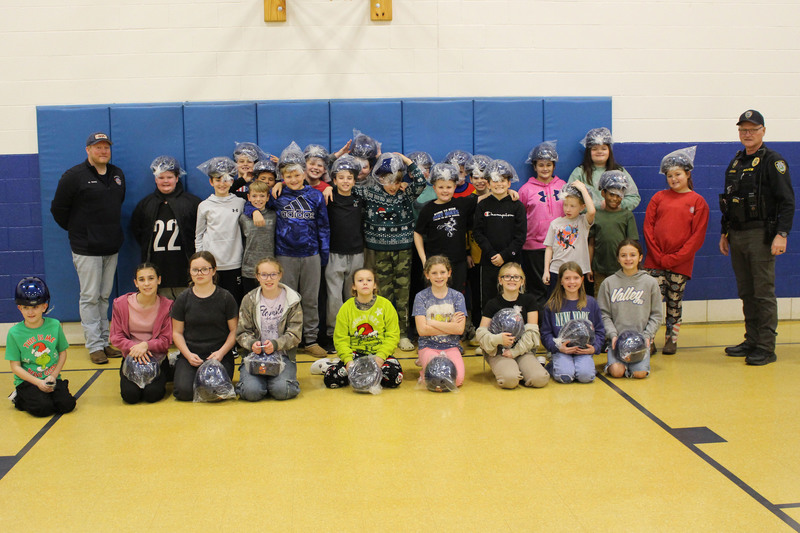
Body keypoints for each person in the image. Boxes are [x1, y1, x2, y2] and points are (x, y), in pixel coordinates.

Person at [719, 110, 794, 366]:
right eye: (743, 130)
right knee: (746, 291)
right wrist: (724, 232)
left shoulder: (773, 161)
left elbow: (787, 202)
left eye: (752, 129)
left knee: (762, 293)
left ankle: (765, 346)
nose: (747, 134)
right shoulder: (737, 161)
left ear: (763, 131)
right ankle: (751, 339)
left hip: (762, 235)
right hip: (738, 234)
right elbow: (729, 201)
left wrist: (781, 234)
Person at [50, 132, 125, 364]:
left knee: (104, 296)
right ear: (88, 150)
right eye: (98, 147)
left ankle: (104, 342)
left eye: (106, 147)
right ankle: (94, 346)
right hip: (86, 248)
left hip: (111, 245)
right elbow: (59, 210)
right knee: (90, 297)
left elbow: (116, 204)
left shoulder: (116, 174)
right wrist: (80, 231)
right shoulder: (74, 176)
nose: (103, 151)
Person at [357, 152, 428, 351]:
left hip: (403, 251)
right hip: (378, 251)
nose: (392, 186)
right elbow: (343, 184)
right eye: (387, 180)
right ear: (379, 178)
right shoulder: (370, 193)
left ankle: (403, 334)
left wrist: (407, 161)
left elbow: (421, 182)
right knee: (384, 295)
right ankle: (387, 333)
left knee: (403, 294)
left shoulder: (405, 194)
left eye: (396, 181)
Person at [265, 142, 330, 357]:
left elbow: (323, 226)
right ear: (282, 177)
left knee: (310, 300)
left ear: (303, 173)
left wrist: (324, 254)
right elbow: (255, 203)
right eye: (288, 176)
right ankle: (288, 340)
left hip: (311, 254)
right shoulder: (278, 195)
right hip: (285, 255)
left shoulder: (315, 196)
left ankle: (311, 340)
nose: (293, 179)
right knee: (287, 301)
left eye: (296, 175)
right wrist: (254, 209)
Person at [644, 147, 709, 355]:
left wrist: (674, 258)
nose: (673, 179)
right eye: (670, 176)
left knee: (674, 301)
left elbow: (696, 238)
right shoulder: (658, 198)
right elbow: (648, 228)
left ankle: (672, 339)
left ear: (688, 174)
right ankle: (649, 339)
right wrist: (658, 255)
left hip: (680, 264)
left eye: (678, 174)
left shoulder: (698, 202)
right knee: (651, 302)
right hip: (655, 261)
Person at [171, 252, 239, 401]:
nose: (199, 273)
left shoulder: (226, 297)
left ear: (213, 271)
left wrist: (221, 353)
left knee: (215, 391)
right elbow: (177, 333)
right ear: (190, 271)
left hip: (219, 355)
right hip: (191, 354)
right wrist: (188, 355)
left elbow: (234, 331)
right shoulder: (183, 299)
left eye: (205, 269)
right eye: (195, 270)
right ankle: (181, 371)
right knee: (184, 392)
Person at [130, 156, 201, 299]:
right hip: (157, 267)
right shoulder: (145, 204)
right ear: (155, 179)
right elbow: (137, 231)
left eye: (169, 177)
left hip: (183, 268)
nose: (166, 181)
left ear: (177, 178)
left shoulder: (192, 202)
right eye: (161, 177)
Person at [5, 277, 76, 417]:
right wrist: (38, 382)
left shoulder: (55, 325)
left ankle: (45, 395)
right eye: (26, 308)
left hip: (51, 378)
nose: (30, 312)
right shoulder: (14, 333)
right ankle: (19, 397)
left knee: (67, 405)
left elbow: (62, 353)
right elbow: (15, 367)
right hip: (28, 381)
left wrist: (54, 376)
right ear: (19, 308)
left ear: (44, 306)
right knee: (43, 408)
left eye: (35, 307)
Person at [236, 257, 302, 401]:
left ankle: (274, 382)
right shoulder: (249, 300)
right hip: (254, 357)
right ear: (257, 277)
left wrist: (276, 344)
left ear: (280, 275)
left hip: (282, 356)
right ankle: (259, 383)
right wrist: (252, 343)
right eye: (264, 275)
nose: (269, 279)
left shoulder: (292, 300)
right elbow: (242, 332)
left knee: (283, 391)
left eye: (273, 274)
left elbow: (295, 334)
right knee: (251, 393)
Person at [324, 268, 403, 389]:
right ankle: (331, 366)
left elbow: (393, 335)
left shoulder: (386, 305)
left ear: (374, 285)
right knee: (331, 379)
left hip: (379, 354)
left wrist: (380, 358)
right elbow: (340, 339)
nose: (365, 283)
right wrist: (349, 362)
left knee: (393, 378)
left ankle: (364, 376)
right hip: (355, 355)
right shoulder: (346, 308)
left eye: (369, 280)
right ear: (354, 286)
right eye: (360, 280)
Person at [597, 240, 662, 379]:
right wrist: (612, 334)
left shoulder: (650, 282)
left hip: (640, 342)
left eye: (632, 255)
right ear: (618, 258)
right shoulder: (608, 283)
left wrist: (647, 335)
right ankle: (614, 363)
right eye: (623, 255)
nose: (628, 259)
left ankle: (635, 365)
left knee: (639, 374)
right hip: (616, 341)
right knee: (617, 372)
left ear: (640, 257)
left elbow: (656, 315)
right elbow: (603, 314)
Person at [477, 262, 548, 389]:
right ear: (500, 280)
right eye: (507, 276)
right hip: (499, 351)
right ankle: (512, 370)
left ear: (522, 281)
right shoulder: (492, 303)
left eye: (516, 277)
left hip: (522, 350)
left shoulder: (529, 301)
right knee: (510, 380)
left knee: (540, 379)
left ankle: (523, 369)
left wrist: (515, 352)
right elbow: (481, 333)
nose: (512, 280)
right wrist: (498, 339)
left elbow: (532, 332)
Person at [110, 263, 173, 404]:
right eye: (142, 279)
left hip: (157, 358)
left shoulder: (167, 305)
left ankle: (169, 371)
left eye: (151, 278)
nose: (147, 284)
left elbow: (166, 339)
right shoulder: (121, 304)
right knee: (130, 396)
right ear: (136, 283)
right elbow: (115, 337)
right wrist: (135, 348)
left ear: (159, 280)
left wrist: (146, 345)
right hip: (131, 357)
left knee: (152, 395)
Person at [414, 162, 477, 295]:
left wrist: (509, 191)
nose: (445, 190)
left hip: (458, 262)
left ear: (454, 187)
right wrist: (424, 259)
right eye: (441, 187)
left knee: (457, 294)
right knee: (436, 295)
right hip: (435, 262)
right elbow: (417, 233)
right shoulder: (428, 209)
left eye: (449, 187)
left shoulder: (462, 204)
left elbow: (484, 197)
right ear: (434, 188)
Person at [473, 160, 527, 307]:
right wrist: (491, 254)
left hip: (512, 260)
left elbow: (521, 236)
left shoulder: (517, 206)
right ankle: (487, 328)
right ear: (488, 184)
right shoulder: (482, 205)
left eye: (503, 181)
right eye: (495, 181)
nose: (499, 184)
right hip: (489, 261)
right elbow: (477, 233)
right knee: (489, 298)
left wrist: (505, 255)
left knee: (513, 297)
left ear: (509, 183)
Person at [518, 141, 566, 310]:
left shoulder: (563, 186)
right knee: (537, 288)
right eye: (541, 165)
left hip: (560, 246)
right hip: (534, 247)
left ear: (554, 166)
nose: (545, 168)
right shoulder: (525, 190)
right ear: (534, 166)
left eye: (548, 165)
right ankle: (537, 325)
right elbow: (520, 217)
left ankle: (556, 322)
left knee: (559, 287)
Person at [541, 262, 605, 384]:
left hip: (583, 351)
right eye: (567, 278)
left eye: (575, 278)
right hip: (562, 351)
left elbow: (600, 330)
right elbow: (545, 333)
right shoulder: (552, 305)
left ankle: (578, 365)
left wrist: (594, 348)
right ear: (561, 281)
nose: (572, 282)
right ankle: (553, 365)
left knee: (586, 377)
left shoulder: (590, 303)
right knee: (565, 377)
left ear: (581, 279)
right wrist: (558, 347)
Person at [195, 156, 246, 304]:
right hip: (211, 265)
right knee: (213, 303)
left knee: (234, 302)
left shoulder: (241, 202)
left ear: (232, 181)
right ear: (211, 182)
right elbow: (198, 235)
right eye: (217, 180)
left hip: (235, 263)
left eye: (226, 179)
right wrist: (201, 261)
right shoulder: (204, 206)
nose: (222, 184)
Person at [325, 155, 365, 340]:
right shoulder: (328, 197)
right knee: (334, 297)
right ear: (334, 180)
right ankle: (334, 333)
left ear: (355, 180)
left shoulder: (360, 199)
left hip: (357, 253)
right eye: (341, 177)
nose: (345, 181)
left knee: (352, 295)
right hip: (335, 253)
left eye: (349, 177)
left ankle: (352, 331)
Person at [413, 256, 468, 388]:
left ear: (449, 273)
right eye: (434, 273)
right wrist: (450, 325)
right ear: (427, 275)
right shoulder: (421, 297)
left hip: (451, 346)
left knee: (457, 380)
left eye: (443, 272)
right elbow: (422, 330)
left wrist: (431, 322)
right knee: (436, 378)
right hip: (428, 345)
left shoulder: (457, 297)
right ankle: (424, 362)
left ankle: (428, 362)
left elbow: (459, 329)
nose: (439, 277)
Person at [567, 127, 640, 211]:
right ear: (589, 152)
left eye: (603, 148)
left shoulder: (620, 172)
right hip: (588, 221)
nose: (599, 152)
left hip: (614, 221)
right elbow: (571, 200)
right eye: (594, 149)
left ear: (609, 150)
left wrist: (615, 205)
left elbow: (634, 197)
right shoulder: (579, 172)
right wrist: (597, 206)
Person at [589, 170, 638, 293]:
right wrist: (589, 267)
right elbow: (591, 244)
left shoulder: (627, 216)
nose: (615, 199)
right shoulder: (597, 215)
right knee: (601, 301)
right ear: (603, 193)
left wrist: (632, 267)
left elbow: (632, 245)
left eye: (619, 195)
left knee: (620, 301)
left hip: (621, 270)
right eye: (611, 194)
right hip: (599, 270)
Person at [542, 181, 595, 292]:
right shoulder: (555, 223)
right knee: (556, 303)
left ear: (582, 207)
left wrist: (583, 189)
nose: (568, 209)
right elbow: (549, 248)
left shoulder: (583, 222)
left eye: (572, 206)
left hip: (579, 270)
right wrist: (546, 270)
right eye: (565, 205)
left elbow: (592, 211)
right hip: (557, 270)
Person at [239, 180, 276, 294]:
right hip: (249, 268)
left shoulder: (274, 216)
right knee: (250, 302)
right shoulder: (243, 218)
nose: (258, 199)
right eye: (254, 196)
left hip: (270, 268)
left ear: (268, 197)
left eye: (262, 196)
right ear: (248, 197)